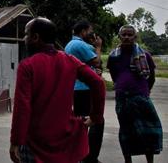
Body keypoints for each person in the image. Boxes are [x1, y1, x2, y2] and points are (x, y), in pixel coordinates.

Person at [10, 17, 105, 163]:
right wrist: (96, 117)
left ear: (35, 37)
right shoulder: (70, 60)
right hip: (66, 138)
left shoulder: (27, 66)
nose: (24, 38)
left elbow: (22, 107)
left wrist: (16, 141)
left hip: (36, 142)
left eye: (26, 34)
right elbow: (98, 83)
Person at [107, 25, 163, 163]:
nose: (126, 37)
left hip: (141, 97)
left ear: (135, 37)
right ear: (119, 37)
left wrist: (144, 92)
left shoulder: (145, 56)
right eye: (124, 35)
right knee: (126, 132)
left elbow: (151, 78)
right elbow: (114, 76)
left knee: (149, 131)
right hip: (122, 98)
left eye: (129, 35)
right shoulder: (114, 56)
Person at [64, 20, 105, 163]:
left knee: (81, 121)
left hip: (77, 88)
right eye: (90, 31)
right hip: (84, 88)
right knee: (96, 120)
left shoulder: (71, 44)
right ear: (83, 31)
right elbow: (97, 62)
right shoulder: (79, 44)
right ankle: (90, 157)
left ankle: (79, 154)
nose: (92, 34)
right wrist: (98, 47)